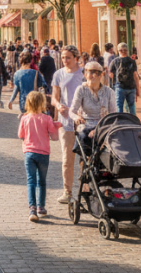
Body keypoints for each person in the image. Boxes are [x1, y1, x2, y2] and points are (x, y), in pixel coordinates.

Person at [18, 90, 62, 222]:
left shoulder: (25, 118)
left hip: (29, 153)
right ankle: (41, 207)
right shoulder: (47, 118)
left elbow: (20, 135)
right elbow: (54, 137)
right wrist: (56, 125)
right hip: (43, 153)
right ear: (42, 103)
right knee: (41, 181)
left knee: (31, 180)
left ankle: (32, 208)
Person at [51, 46, 84, 203]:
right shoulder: (58, 74)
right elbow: (54, 98)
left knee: (86, 158)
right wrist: (58, 106)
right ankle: (67, 191)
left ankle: (86, 190)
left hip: (83, 121)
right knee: (67, 158)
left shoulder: (84, 74)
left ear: (76, 58)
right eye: (63, 57)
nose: (65, 60)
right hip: (66, 121)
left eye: (68, 57)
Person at [70, 61, 117, 152]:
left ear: (101, 75)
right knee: (84, 138)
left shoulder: (109, 92)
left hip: (103, 125)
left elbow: (112, 116)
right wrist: (77, 117)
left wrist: (98, 130)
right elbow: (72, 111)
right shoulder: (81, 90)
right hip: (86, 125)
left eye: (94, 73)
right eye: (87, 72)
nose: (90, 75)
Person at [110, 43, 140, 115]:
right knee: (131, 106)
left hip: (120, 87)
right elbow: (135, 75)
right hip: (131, 87)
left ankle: (120, 122)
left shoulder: (114, 61)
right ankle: (134, 122)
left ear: (118, 51)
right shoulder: (132, 61)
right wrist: (137, 89)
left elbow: (111, 75)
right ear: (127, 51)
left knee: (119, 107)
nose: (123, 51)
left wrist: (112, 86)